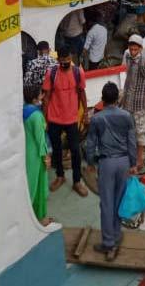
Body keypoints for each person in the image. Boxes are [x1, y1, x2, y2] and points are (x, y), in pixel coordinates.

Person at [85, 82, 138, 260]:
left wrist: (91, 161)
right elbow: (132, 141)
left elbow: (90, 143)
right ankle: (116, 235)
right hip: (123, 162)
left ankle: (108, 243)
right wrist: (133, 163)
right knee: (119, 201)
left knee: (106, 203)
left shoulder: (96, 118)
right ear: (117, 98)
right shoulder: (127, 116)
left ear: (102, 99)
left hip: (106, 163)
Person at [42, 48, 88, 196]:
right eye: (62, 61)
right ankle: (60, 176)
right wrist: (44, 118)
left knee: (75, 151)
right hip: (54, 118)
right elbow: (47, 97)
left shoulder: (77, 72)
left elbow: (82, 92)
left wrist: (86, 113)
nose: (65, 63)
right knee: (56, 149)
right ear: (58, 60)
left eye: (67, 60)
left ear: (71, 58)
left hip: (71, 119)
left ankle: (76, 181)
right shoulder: (52, 73)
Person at [121, 35, 145, 170]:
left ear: (141, 49)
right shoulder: (128, 58)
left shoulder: (143, 63)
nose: (133, 52)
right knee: (129, 129)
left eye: (135, 50)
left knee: (140, 131)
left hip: (139, 104)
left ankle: (139, 160)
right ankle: (130, 154)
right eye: (131, 49)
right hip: (128, 102)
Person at [23, 84, 51, 226]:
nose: (43, 96)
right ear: (35, 99)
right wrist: (46, 157)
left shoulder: (23, 112)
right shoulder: (36, 116)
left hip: (26, 153)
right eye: (41, 94)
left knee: (29, 184)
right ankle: (40, 217)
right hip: (36, 156)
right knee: (39, 185)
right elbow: (41, 140)